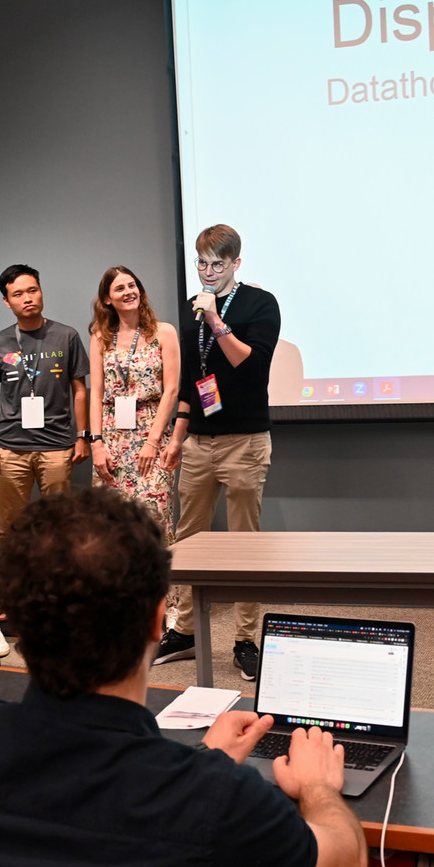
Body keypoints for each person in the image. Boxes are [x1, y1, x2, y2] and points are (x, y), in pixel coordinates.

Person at [0, 488, 369, 867]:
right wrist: (317, 787)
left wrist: (205, 762)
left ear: (13, 618)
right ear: (156, 619)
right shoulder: (218, 805)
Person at [158, 225, 282, 681]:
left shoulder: (260, 304)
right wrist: (177, 437)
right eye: (201, 263)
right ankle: (187, 631)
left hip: (245, 442)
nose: (207, 272)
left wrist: (216, 320)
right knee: (188, 540)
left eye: (217, 264)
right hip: (198, 444)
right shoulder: (191, 312)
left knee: (244, 545)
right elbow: (195, 381)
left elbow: (250, 366)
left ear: (236, 263)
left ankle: (246, 639)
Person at [0, 265, 86, 533]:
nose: (27, 298)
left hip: (57, 446)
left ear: (41, 292)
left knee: (59, 527)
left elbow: (80, 390)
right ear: (7, 302)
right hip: (11, 449)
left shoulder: (67, 336)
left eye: (33, 290)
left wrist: (82, 436)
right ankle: (12, 577)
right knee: (11, 528)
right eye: (18, 294)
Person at [89, 266, 180, 522]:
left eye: (132, 285)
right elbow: (95, 393)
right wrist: (96, 444)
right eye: (120, 288)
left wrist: (152, 442)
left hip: (152, 432)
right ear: (107, 299)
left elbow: (171, 390)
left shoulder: (164, 332)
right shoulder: (100, 337)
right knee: (110, 521)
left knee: (154, 517)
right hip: (111, 437)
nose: (128, 292)